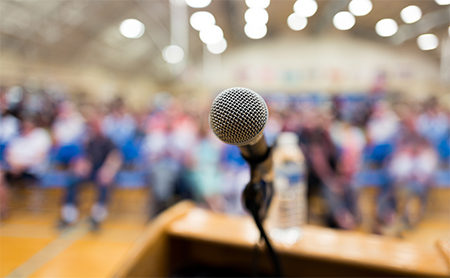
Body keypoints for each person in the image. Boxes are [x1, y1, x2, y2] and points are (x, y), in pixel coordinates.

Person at [59, 110, 122, 231]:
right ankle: (69, 216)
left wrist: (107, 170)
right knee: (72, 179)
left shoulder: (109, 141)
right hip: (91, 171)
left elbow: (115, 158)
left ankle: (97, 218)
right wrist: (81, 166)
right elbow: (85, 158)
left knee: (104, 183)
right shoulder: (90, 141)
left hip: (104, 172)